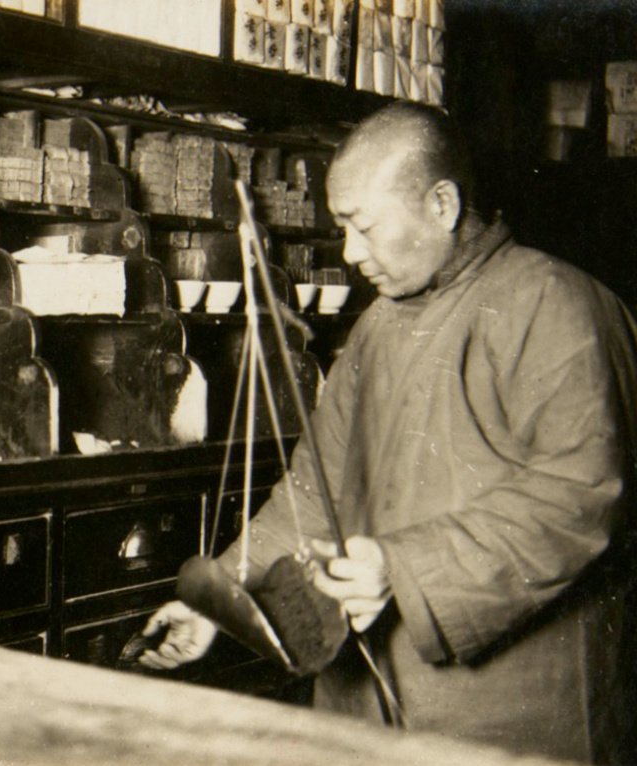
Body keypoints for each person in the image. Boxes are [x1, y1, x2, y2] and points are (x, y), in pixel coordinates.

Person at [138, 101, 637, 765]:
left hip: (508, 716)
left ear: (442, 203)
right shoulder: (377, 327)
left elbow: (578, 495)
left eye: (363, 227)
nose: (350, 253)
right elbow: (317, 488)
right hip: (366, 706)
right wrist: (223, 601)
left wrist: (401, 568)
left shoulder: (558, 304)